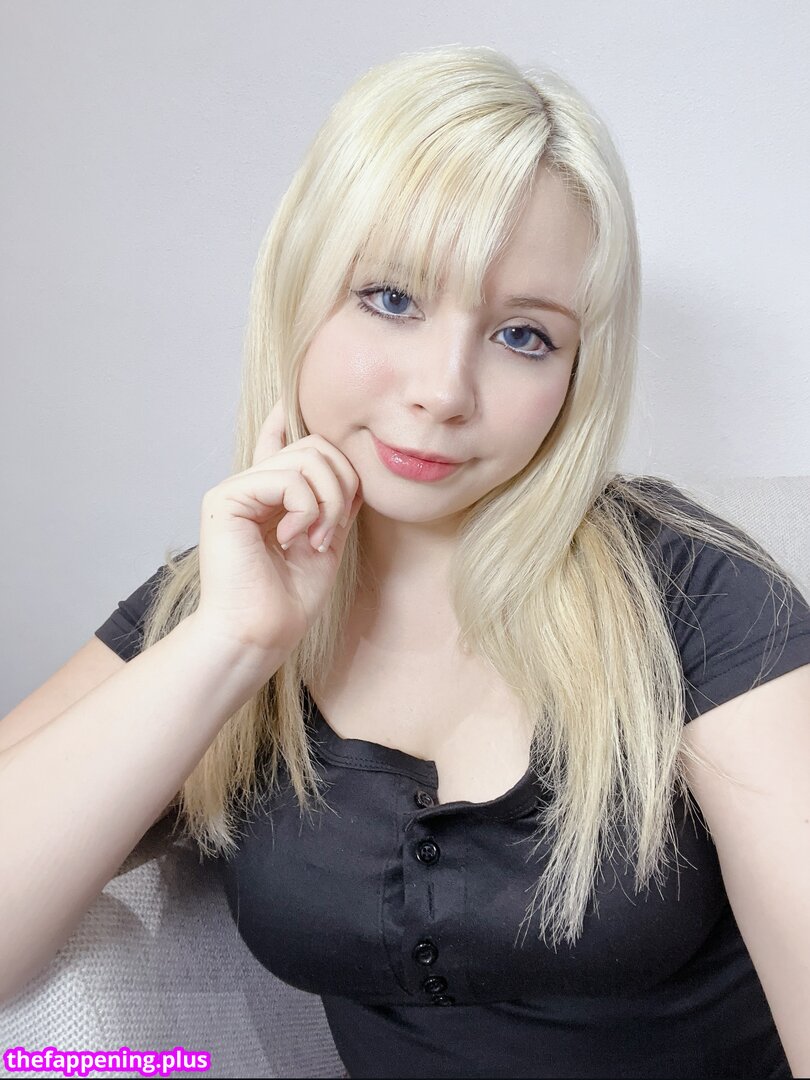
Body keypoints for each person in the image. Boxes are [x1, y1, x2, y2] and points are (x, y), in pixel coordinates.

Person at [2, 44, 809, 1080]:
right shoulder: (223, 597)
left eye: (523, 336)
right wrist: (232, 643)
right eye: (392, 299)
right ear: (300, 291)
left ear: (579, 372)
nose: (444, 390)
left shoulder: (700, 600)